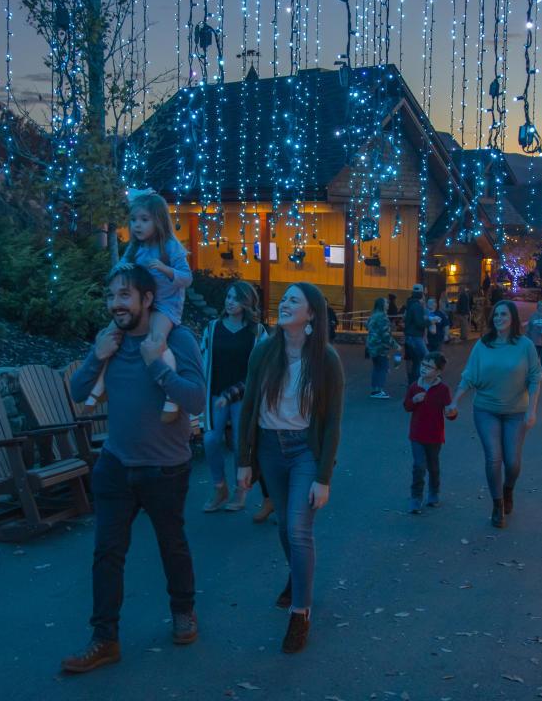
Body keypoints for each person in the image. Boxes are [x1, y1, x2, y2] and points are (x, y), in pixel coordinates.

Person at [63, 263, 207, 673]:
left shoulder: (177, 339)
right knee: (107, 553)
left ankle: (184, 610)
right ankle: (104, 638)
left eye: (124, 295)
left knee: (172, 546)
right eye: (110, 296)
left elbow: (196, 399)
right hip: (115, 464)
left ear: (147, 298)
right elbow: (77, 394)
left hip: (165, 468)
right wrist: (96, 355)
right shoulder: (111, 340)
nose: (115, 304)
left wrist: (156, 365)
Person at [235, 282, 344, 654]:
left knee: (299, 530)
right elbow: (249, 407)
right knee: (284, 525)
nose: (284, 304)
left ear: (311, 314)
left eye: (294, 300)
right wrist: (244, 460)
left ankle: (300, 613)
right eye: (283, 299)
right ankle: (297, 578)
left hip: (303, 452)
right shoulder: (264, 352)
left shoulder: (326, 359)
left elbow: (332, 423)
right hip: (268, 447)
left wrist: (323, 478)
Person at [91, 191, 192, 421]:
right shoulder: (135, 247)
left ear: (158, 220)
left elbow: (186, 278)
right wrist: (118, 274)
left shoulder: (170, 246)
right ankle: (99, 387)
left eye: (144, 220)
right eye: (134, 220)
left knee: (157, 340)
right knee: (109, 334)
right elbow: (121, 266)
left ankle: (171, 397)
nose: (137, 225)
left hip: (165, 304)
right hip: (142, 304)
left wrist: (165, 270)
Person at [446, 300, 542, 529]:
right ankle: (497, 505)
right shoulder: (483, 345)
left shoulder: (525, 346)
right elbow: (469, 375)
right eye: (496, 315)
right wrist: (454, 401)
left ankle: (508, 490)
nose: (499, 318)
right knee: (493, 458)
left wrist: (532, 410)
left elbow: (535, 377)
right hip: (486, 409)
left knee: (512, 462)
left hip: (516, 412)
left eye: (504, 314)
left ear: (513, 319)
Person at [200, 281, 268, 513]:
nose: (230, 302)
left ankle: (241, 490)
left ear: (247, 303)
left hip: (243, 396)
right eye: (228, 297)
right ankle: (220, 486)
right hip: (216, 393)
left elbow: (262, 369)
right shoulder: (212, 328)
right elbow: (202, 360)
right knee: (210, 439)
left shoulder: (257, 333)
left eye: (236, 299)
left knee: (242, 443)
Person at [403, 351, 452, 514]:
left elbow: (449, 411)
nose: (424, 369)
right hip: (417, 434)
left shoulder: (443, 389)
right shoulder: (414, 386)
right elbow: (406, 406)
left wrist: (452, 413)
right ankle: (416, 497)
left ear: (438, 371)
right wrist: (414, 400)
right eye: (423, 365)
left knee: (433, 466)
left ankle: (433, 492)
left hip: (435, 435)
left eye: (429, 367)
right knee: (419, 466)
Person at [365, 297, 401, 399]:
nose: (388, 304)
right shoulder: (383, 317)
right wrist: (396, 345)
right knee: (382, 368)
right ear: (382, 305)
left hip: (372, 346)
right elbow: (386, 335)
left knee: (376, 368)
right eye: (386, 303)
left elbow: (367, 326)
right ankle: (379, 390)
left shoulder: (373, 316)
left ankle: (375, 390)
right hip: (380, 347)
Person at [402, 284, 429, 386]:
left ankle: (412, 382)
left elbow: (406, 319)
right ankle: (417, 383)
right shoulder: (417, 306)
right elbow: (419, 323)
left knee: (411, 359)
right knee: (422, 358)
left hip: (409, 336)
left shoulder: (409, 304)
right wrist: (430, 322)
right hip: (415, 336)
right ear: (422, 294)